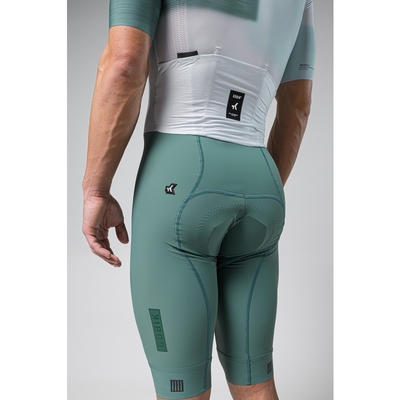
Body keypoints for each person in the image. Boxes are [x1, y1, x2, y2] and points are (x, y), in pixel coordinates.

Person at [82, 1, 315, 399]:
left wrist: (96, 190)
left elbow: (123, 65)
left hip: (181, 178)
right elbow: (298, 106)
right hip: (261, 180)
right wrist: (257, 192)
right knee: (256, 382)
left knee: (181, 388)